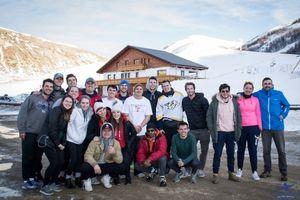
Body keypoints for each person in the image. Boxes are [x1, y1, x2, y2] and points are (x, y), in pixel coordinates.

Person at [17, 78, 54, 189]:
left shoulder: (50, 103)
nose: (49, 88)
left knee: (36, 158)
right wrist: (22, 130)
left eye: (51, 87)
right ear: (42, 87)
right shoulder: (32, 98)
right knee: (27, 157)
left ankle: (33, 178)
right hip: (29, 132)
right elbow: (22, 113)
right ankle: (26, 180)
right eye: (47, 86)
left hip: (41, 135)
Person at [253, 77, 290, 181]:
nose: (267, 85)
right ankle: (267, 171)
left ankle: (284, 173)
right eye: (265, 84)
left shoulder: (278, 94)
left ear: (272, 85)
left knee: (281, 151)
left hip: (278, 127)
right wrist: (238, 94)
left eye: (269, 83)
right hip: (265, 129)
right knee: (266, 151)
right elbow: (248, 93)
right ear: (262, 85)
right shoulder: (259, 94)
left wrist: (283, 115)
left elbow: (287, 105)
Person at [206, 83, 242, 184]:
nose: (225, 93)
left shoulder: (234, 102)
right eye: (223, 91)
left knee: (231, 154)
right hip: (219, 132)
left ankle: (231, 174)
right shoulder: (214, 103)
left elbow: (239, 117)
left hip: (231, 132)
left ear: (229, 92)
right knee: (217, 154)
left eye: (227, 91)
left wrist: (239, 129)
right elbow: (208, 117)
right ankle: (215, 175)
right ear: (220, 92)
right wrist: (212, 129)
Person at [39, 95, 74, 196]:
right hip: (48, 141)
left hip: (57, 142)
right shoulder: (56, 110)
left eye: (70, 102)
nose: (68, 103)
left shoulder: (67, 113)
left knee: (61, 162)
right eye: (66, 101)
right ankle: (45, 185)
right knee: (54, 162)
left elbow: (64, 131)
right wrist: (58, 144)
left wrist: (63, 143)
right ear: (62, 101)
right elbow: (52, 129)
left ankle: (53, 182)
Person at [82, 123, 124, 191]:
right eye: (104, 130)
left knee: (121, 166)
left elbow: (120, 160)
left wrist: (115, 153)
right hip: (95, 166)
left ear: (112, 132)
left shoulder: (116, 143)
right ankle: (87, 180)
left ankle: (106, 177)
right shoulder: (95, 141)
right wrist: (95, 164)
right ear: (101, 132)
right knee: (85, 166)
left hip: (105, 166)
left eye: (109, 131)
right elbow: (87, 155)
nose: (106, 132)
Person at [122, 84, 152, 177]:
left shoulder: (146, 101)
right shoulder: (128, 100)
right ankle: (125, 171)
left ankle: (137, 170)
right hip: (130, 130)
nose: (139, 90)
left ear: (142, 91)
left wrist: (141, 126)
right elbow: (125, 115)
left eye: (140, 89)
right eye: (137, 89)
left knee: (139, 151)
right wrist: (134, 126)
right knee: (129, 151)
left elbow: (148, 116)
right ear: (133, 90)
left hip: (142, 131)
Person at [65, 95, 93, 188]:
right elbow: (69, 124)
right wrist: (71, 136)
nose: (85, 105)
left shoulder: (89, 113)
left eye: (87, 103)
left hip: (81, 140)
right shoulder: (75, 111)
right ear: (79, 103)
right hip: (72, 139)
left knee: (79, 160)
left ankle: (77, 177)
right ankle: (67, 178)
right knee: (73, 159)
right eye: (83, 103)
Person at [182, 82, 209, 178]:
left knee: (204, 150)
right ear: (186, 90)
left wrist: (209, 128)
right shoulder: (184, 100)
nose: (190, 90)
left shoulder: (202, 99)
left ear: (194, 89)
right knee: (190, 149)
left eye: (191, 88)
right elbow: (181, 112)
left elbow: (208, 114)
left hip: (204, 130)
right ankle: (190, 167)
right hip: (192, 129)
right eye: (188, 89)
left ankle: (200, 169)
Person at [236, 82, 262, 181]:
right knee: (240, 150)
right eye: (246, 88)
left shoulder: (255, 100)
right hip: (241, 128)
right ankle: (239, 169)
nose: (248, 90)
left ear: (252, 90)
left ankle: (254, 172)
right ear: (243, 88)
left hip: (253, 128)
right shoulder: (238, 99)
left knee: (253, 150)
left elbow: (258, 114)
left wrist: (260, 127)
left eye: (250, 88)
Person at [110, 102, 137, 184]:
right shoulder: (110, 122)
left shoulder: (126, 122)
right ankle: (116, 176)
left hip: (124, 145)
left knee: (126, 161)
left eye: (118, 112)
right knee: (115, 161)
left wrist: (129, 141)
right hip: (115, 146)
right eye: (114, 112)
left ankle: (127, 176)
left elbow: (134, 133)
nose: (116, 114)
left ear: (121, 113)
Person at [156, 80, 183, 153]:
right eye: (164, 86)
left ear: (170, 85)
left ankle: (179, 163)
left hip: (178, 123)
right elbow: (159, 115)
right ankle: (167, 163)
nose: (166, 87)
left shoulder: (179, 95)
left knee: (178, 145)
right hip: (167, 124)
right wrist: (160, 127)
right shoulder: (160, 99)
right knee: (167, 145)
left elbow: (184, 109)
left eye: (167, 85)